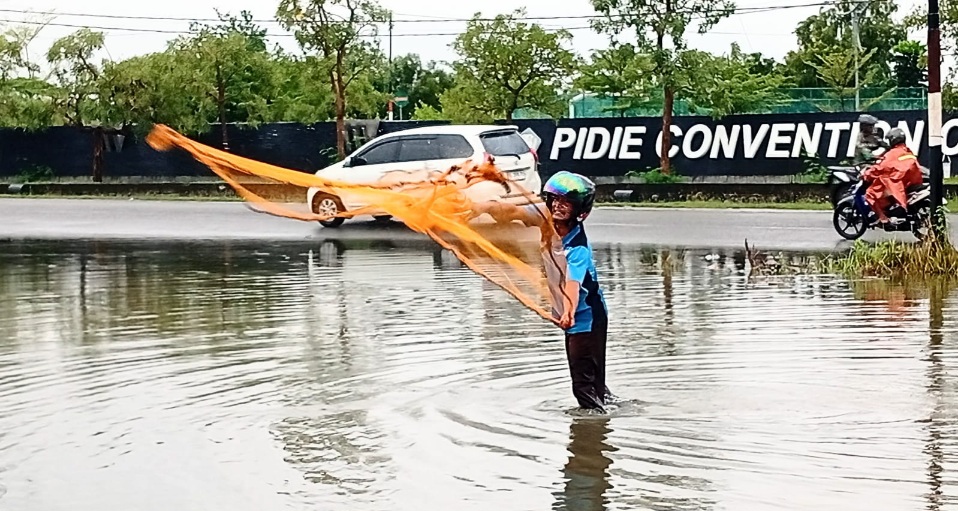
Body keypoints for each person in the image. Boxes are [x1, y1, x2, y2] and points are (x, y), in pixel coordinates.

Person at [469, 171, 614, 412]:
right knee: (592, 380)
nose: (558, 206)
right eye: (555, 199)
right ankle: (607, 410)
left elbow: (572, 283)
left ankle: (594, 429)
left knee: (583, 386)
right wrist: (480, 207)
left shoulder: (577, 248)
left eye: (566, 202)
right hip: (577, 315)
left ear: (579, 210)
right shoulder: (544, 218)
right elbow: (512, 212)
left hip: (587, 317)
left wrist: (568, 312)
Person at [863, 127, 924, 224]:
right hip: (910, 182)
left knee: (870, 194)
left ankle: (883, 218)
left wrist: (867, 174)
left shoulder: (892, 154)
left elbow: (880, 168)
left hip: (897, 183)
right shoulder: (907, 151)